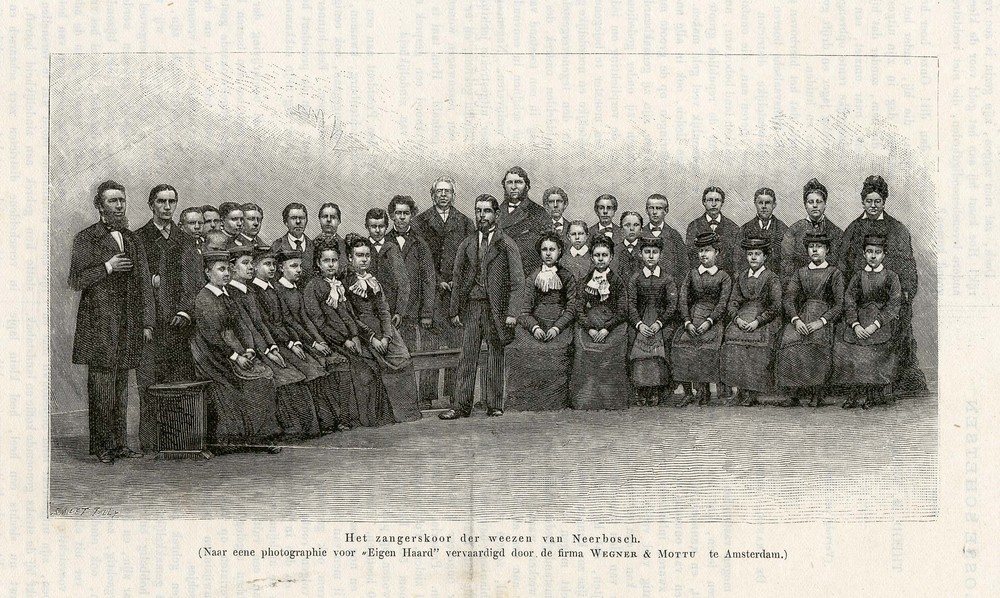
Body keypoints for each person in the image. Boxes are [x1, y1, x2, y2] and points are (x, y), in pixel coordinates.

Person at [69, 180, 155, 463]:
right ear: (100, 205)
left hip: (128, 324)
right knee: (101, 387)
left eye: (122, 200)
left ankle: (120, 445)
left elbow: (143, 283)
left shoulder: (132, 238)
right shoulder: (86, 238)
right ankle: (102, 446)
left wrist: (147, 323)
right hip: (99, 325)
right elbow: (76, 280)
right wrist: (107, 267)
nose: (119, 206)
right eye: (112, 201)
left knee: (120, 388)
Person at [837, 175, 926, 394]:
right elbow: (843, 264)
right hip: (859, 295)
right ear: (863, 202)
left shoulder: (898, 229)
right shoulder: (853, 229)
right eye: (869, 201)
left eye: (878, 201)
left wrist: (906, 293)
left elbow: (907, 264)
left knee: (898, 323)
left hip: (889, 296)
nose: (873, 205)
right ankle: (857, 384)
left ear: (884, 202)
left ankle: (887, 382)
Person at [439, 194, 524, 420]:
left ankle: (494, 405)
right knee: (467, 356)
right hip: (472, 307)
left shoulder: (507, 244)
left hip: (496, 309)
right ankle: (460, 406)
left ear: (496, 214)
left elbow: (518, 282)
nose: (482, 215)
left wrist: (512, 313)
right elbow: (457, 279)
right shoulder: (467, 243)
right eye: (478, 211)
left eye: (486, 211)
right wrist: (454, 310)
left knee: (495, 355)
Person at [190, 250, 281, 453]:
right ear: (207, 272)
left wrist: (248, 349)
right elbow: (212, 337)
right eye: (220, 269)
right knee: (257, 381)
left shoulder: (227, 295)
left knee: (265, 374)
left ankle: (261, 435)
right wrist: (236, 357)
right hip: (212, 357)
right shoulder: (204, 298)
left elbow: (241, 325)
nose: (226, 274)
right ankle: (253, 439)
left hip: (233, 350)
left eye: (227, 269)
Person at [304, 238, 395, 427]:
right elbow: (319, 322)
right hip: (331, 341)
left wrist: (355, 335)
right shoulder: (313, 287)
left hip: (351, 339)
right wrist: (344, 340)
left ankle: (375, 418)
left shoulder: (338, 285)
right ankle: (353, 419)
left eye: (334, 260)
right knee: (363, 370)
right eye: (326, 261)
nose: (331, 265)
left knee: (372, 366)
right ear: (318, 263)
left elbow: (350, 316)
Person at [134, 183, 196, 451]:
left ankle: (178, 441)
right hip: (150, 325)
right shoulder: (138, 238)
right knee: (149, 383)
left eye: (172, 202)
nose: (167, 207)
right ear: (151, 205)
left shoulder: (185, 240)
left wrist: (184, 310)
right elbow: (133, 285)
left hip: (178, 324)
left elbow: (193, 282)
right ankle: (151, 443)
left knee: (179, 381)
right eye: (161, 201)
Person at [273, 249, 356, 431]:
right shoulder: (278, 291)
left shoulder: (295, 289)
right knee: (321, 369)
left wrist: (320, 341)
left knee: (341, 364)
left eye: (300, 266)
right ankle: (325, 421)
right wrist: (313, 343)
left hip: (308, 340)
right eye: (293, 266)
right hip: (292, 342)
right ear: (281, 268)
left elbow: (306, 319)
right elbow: (289, 322)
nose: (298, 270)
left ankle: (341, 419)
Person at [411, 176, 476, 406]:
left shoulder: (466, 222)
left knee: (456, 344)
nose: (443, 195)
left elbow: (471, 260)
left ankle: (453, 394)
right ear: (432, 195)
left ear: (454, 195)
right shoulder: (419, 222)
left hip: (456, 295)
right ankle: (427, 397)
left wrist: (457, 283)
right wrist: (437, 281)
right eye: (439, 191)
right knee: (429, 345)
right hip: (431, 294)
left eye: (447, 191)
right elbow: (419, 260)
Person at [249, 247, 323, 438]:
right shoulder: (254, 291)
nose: (272, 268)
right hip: (271, 343)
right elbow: (265, 324)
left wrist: (296, 342)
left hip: (284, 340)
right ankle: (294, 428)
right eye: (267, 264)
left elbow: (287, 320)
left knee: (313, 368)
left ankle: (313, 426)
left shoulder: (273, 289)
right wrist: (288, 344)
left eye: (273, 264)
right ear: (255, 267)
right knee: (293, 376)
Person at [342, 235, 417, 422]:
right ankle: (389, 414)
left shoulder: (373, 281)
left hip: (384, 329)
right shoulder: (345, 284)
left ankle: (407, 413)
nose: (364, 259)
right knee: (378, 365)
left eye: (367, 255)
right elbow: (350, 317)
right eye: (359, 255)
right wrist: (372, 338)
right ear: (350, 258)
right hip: (362, 332)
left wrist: (387, 336)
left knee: (404, 357)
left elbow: (384, 310)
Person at [506, 231, 579, 411]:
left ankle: (555, 401)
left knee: (557, 352)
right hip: (536, 324)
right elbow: (524, 310)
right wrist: (535, 328)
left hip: (560, 326)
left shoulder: (567, 276)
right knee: (524, 350)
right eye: (544, 249)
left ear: (559, 251)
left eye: (552, 249)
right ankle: (528, 401)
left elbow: (572, 308)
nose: (548, 253)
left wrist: (556, 328)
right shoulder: (532, 277)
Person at [775, 230, 845, 407]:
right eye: (811, 246)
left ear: (827, 250)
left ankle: (817, 392)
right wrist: (796, 320)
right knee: (789, 340)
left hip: (824, 318)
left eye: (819, 247)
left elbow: (839, 304)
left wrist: (821, 321)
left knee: (817, 342)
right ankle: (793, 392)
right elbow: (788, 299)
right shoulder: (800, 273)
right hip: (803, 315)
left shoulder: (834, 273)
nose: (814, 250)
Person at [834, 235, 903, 409]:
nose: (873, 256)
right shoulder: (859, 276)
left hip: (880, 325)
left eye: (877, 252)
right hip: (859, 322)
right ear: (864, 254)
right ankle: (854, 393)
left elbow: (894, 304)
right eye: (869, 251)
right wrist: (855, 324)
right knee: (851, 352)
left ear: (884, 255)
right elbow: (849, 300)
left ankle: (872, 395)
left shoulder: (891, 277)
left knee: (874, 355)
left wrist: (875, 325)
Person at [387, 195, 438, 408]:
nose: (401, 217)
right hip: (391, 311)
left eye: (406, 213)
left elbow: (429, 280)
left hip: (414, 310)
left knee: (420, 353)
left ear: (412, 215)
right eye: (398, 213)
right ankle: (400, 400)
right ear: (391, 215)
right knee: (396, 357)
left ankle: (424, 399)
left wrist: (427, 313)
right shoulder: (384, 242)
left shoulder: (420, 244)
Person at [720, 234, 783, 407]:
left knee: (755, 346)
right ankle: (740, 391)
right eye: (750, 254)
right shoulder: (741, 277)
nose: (753, 257)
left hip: (765, 320)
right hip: (743, 316)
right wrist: (737, 318)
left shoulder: (772, 278)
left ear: (765, 257)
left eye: (757, 254)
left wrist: (757, 322)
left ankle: (752, 392)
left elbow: (776, 306)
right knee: (732, 341)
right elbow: (733, 301)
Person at [672, 232, 733, 406]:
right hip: (692, 317)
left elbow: (722, 303)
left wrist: (709, 321)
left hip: (713, 321)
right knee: (681, 346)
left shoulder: (724, 276)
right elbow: (683, 299)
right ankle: (688, 392)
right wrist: (687, 321)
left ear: (717, 252)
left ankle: (704, 390)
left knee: (707, 348)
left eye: (708, 250)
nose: (703, 254)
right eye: (700, 251)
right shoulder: (692, 274)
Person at [570, 236, 631, 410]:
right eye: (597, 255)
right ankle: (586, 400)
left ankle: (612, 400)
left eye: (605, 255)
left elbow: (622, 310)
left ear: (611, 257)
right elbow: (578, 308)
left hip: (612, 325)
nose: (601, 259)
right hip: (589, 324)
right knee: (583, 350)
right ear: (591, 257)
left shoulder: (617, 281)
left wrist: (606, 329)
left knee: (612, 353)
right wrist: (589, 328)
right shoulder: (585, 280)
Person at [626, 237, 679, 406]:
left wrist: (659, 323)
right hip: (640, 321)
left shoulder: (667, 279)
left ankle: (656, 389)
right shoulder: (635, 278)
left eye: (654, 252)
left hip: (661, 322)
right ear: (640, 254)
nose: (650, 256)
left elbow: (672, 305)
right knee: (635, 345)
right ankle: (640, 389)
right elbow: (631, 304)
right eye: (647, 252)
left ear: (660, 255)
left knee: (661, 347)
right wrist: (639, 324)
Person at [780, 178, 843, 285]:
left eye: (819, 202)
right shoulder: (794, 231)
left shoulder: (836, 232)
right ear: (805, 205)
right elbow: (787, 264)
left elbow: (840, 265)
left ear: (825, 204)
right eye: (810, 202)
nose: (815, 205)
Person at [497, 166, 550, 276]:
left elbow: (550, 246)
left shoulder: (539, 212)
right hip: (500, 274)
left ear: (527, 186)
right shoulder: (495, 213)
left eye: (518, 182)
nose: (513, 187)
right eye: (509, 182)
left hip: (528, 274)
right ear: (504, 186)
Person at [365, 208, 409, 323]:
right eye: (373, 226)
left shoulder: (393, 248)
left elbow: (403, 283)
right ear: (367, 227)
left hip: (390, 310)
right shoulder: (362, 248)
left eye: (381, 226)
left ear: (386, 227)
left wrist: (399, 312)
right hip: (366, 311)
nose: (377, 231)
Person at [684, 186, 741, 276]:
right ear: (704, 202)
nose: (714, 204)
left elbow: (736, 259)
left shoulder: (733, 228)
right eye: (710, 200)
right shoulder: (693, 226)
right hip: (701, 278)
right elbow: (691, 256)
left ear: (722, 203)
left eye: (717, 200)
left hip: (727, 279)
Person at [736, 187, 788, 277]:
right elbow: (738, 261)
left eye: (767, 203)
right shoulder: (744, 229)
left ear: (774, 205)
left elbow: (787, 262)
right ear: (755, 204)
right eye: (760, 203)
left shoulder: (783, 230)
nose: (764, 206)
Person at [641, 193, 688, 283]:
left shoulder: (674, 235)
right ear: (646, 210)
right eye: (651, 208)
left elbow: (683, 266)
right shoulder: (640, 234)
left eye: (659, 208)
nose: (654, 212)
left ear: (666, 211)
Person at [271, 203, 315, 285]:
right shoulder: (277, 247)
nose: (298, 222)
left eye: (302, 218)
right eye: (293, 218)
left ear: (306, 221)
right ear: (286, 222)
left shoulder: (314, 246)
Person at [315, 201, 348, 277]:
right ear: (319, 219)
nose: (329, 220)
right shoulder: (311, 245)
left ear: (339, 221)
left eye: (333, 217)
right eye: (325, 216)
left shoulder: (346, 246)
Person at [614, 211, 645, 283]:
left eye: (636, 225)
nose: (631, 228)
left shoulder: (646, 250)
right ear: (621, 229)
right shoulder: (615, 251)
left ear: (641, 229)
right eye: (627, 225)